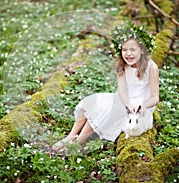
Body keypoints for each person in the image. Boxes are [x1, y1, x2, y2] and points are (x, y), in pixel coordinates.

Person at [52, 22, 159, 153]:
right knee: (92, 103)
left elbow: (155, 98)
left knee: (104, 111)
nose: (128, 54)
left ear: (142, 50)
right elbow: (121, 91)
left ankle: (78, 143)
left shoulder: (151, 67)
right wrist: (127, 104)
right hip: (123, 100)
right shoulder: (122, 66)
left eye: (133, 50)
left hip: (141, 108)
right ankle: (71, 136)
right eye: (124, 50)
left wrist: (142, 106)